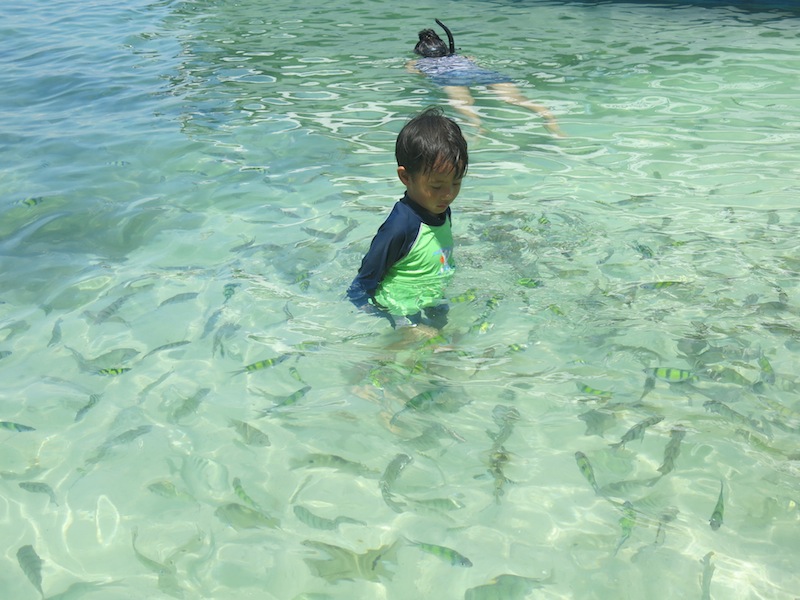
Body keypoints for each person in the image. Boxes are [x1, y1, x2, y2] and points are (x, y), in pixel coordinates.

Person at [347, 106, 467, 329]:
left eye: (456, 183)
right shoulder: (400, 227)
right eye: (436, 185)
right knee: (411, 352)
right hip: (402, 308)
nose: (448, 194)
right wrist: (380, 315)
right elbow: (362, 284)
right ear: (405, 177)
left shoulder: (440, 208)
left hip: (433, 297)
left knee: (444, 348)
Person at [409, 19, 563, 137]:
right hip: (479, 73)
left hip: (449, 78)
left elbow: (416, 74)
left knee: (463, 103)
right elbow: (473, 59)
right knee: (514, 98)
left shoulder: (416, 62)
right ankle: (548, 116)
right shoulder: (463, 57)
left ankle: (477, 126)